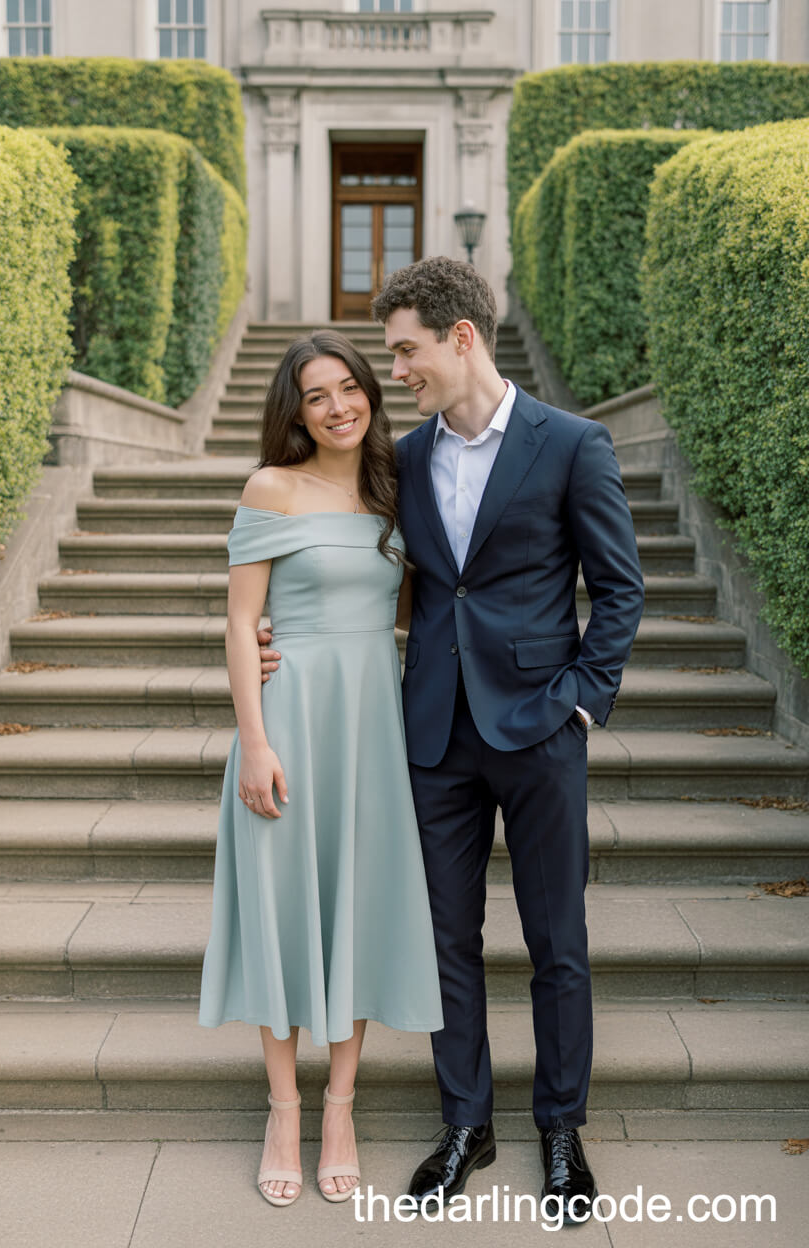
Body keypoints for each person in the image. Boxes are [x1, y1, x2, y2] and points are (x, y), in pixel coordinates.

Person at [260, 257, 645, 1220]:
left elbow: (621, 588)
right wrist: (282, 630)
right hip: (431, 734)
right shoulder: (408, 461)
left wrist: (582, 701)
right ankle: (466, 1124)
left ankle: (561, 1130)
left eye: (405, 351)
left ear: (460, 337)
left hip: (541, 728)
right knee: (445, 942)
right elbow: (361, 562)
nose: (396, 372)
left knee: (558, 940)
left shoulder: (573, 445)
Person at [199, 329, 443, 1209]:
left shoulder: (394, 490)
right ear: (293, 410)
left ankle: (340, 1106)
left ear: (372, 393)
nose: (339, 406)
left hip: (371, 727)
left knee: (356, 908)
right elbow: (240, 621)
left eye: (351, 388)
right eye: (317, 395)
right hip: (291, 720)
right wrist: (254, 738)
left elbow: (418, 601)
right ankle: (282, 1107)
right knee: (283, 909)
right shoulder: (272, 487)